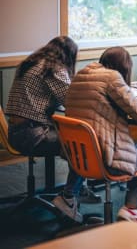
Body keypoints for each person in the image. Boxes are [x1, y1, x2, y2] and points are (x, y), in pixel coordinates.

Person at [54, 46, 137, 225]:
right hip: (107, 157)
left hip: (82, 156)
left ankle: (131, 208)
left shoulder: (81, 75)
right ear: (124, 67)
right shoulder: (112, 77)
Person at [6, 35, 99, 223]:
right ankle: (69, 196)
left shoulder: (30, 64)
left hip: (16, 132)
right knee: (84, 143)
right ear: (68, 55)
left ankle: (79, 189)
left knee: (74, 138)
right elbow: (72, 99)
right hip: (33, 134)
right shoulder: (53, 68)